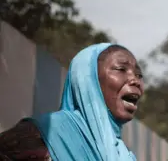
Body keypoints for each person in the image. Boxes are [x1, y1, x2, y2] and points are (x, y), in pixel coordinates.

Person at [0, 43, 144, 161]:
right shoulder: (42, 135)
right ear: (88, 80)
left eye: (139, 75)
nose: (136, 80)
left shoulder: (124, 155)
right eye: (121, 69)